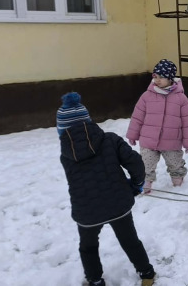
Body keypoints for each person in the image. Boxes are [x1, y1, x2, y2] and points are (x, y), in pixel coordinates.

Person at [57, 92, 156, 286]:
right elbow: (136, 162)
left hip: (87, 212)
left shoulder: (66, 155)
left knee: (88, 247)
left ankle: (95, 280)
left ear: (62, 130)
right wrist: (136, 185)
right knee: (130, 240)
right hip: (118, 204)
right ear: (89, 122)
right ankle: (147, 273)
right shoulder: (110, 140)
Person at [126, 59, 188, 193]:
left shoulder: (181, 99)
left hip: (171, 141)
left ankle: (178, 181)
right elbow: (137, 117)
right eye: (155, 76)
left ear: (170, 79)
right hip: (148, 139)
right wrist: (133, 134)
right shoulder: (147, 96)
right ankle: (145, 184)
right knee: (146, 164)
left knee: (175, 164)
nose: (157, 80)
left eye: (161, 77)